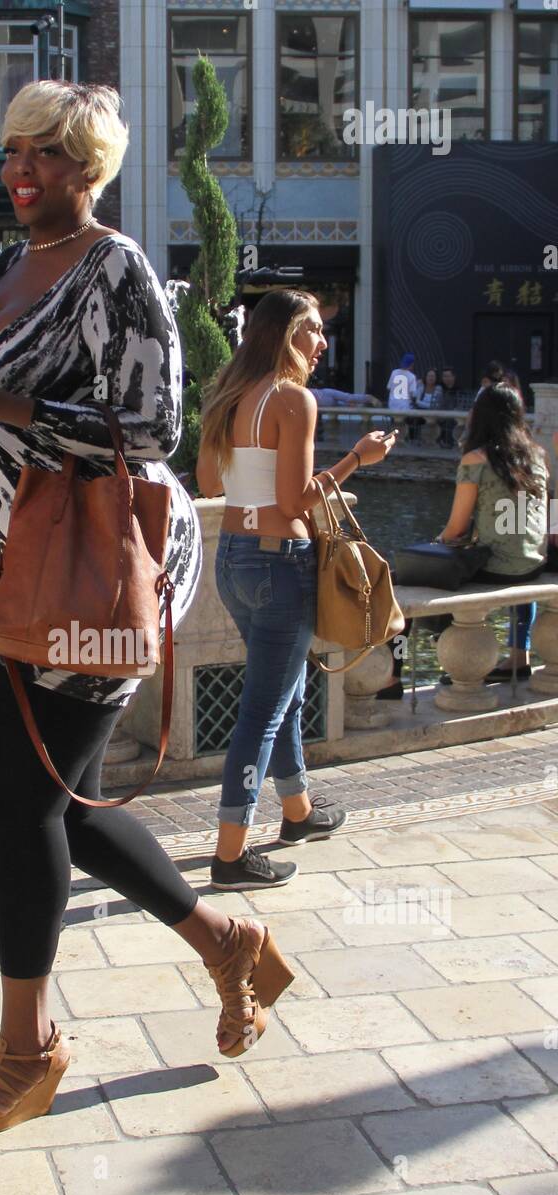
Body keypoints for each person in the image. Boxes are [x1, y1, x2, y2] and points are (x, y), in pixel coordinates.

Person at [0, 81, 298, 1136]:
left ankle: (28, 1048)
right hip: (12, 562)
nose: (25, 171)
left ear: (93, 168)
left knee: (21, 804)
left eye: (52, 156)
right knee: (58, 804)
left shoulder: (117, 269)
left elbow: (153, 424)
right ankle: (226, 943)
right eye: (17, 150)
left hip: (97, 567)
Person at [197, 290, 397, 884]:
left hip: (233, 558)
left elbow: (210, 483)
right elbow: (295, 501)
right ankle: (230, 855)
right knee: (262, 709)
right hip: (280, 561)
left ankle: (298, 812)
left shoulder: (230, 396)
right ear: (286, 335)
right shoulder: (292, 400)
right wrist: (356, 460)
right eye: (313, 329)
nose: (321, 341)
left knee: (279, 693)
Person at [439, 383, 548, 682]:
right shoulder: (537, 456)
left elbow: (456, 528)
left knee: (416, 582)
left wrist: (439, 544)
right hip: (534, 563)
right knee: (517, 553)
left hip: (497, 568)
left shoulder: (476, 459)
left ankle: (398, 674)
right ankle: (519, 657)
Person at [412, 367, 443, 446]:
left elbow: (435, 404)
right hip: (422, 412)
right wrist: (417, 384)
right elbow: (416, 400)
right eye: (429, 376)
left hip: (433, 412)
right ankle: (416, 440)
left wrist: (424, 404)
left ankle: (433, 441)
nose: (431, 378)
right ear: (425, 377)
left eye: (433, 376)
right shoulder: (422, 387)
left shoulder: (438, 388)